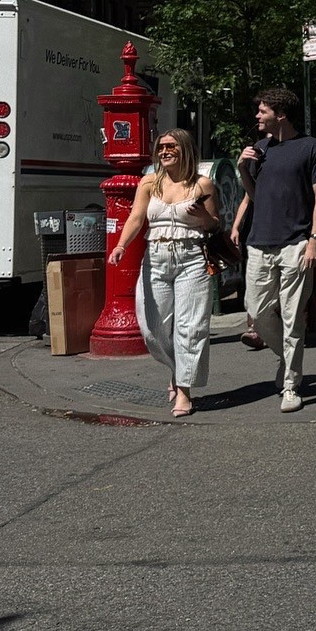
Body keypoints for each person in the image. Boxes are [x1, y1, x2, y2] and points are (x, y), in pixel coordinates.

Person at [229, 88, 316, 414]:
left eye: (263, 111)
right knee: (257, 313)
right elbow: (256, 196)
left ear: (280, 114)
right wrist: (243, 168)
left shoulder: (310, 148)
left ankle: (291, 384)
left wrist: (314, 239)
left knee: (292, 318)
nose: (257, 116)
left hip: (296, 243)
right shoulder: (259, 150)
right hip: (259, 242)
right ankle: (286, 358)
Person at [109, 127, 220, 418]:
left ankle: (184, 391)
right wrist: (121, 245)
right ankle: (176, 369)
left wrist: (204, 217)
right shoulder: (149, 183)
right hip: (155, 257)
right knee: (151, 327)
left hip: (192, 258)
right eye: (161, 147)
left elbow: (214, 225)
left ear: (185, 149)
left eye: (171, 146)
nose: (165, 152)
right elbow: (135, 217)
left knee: (190, 328)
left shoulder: (202, 184)